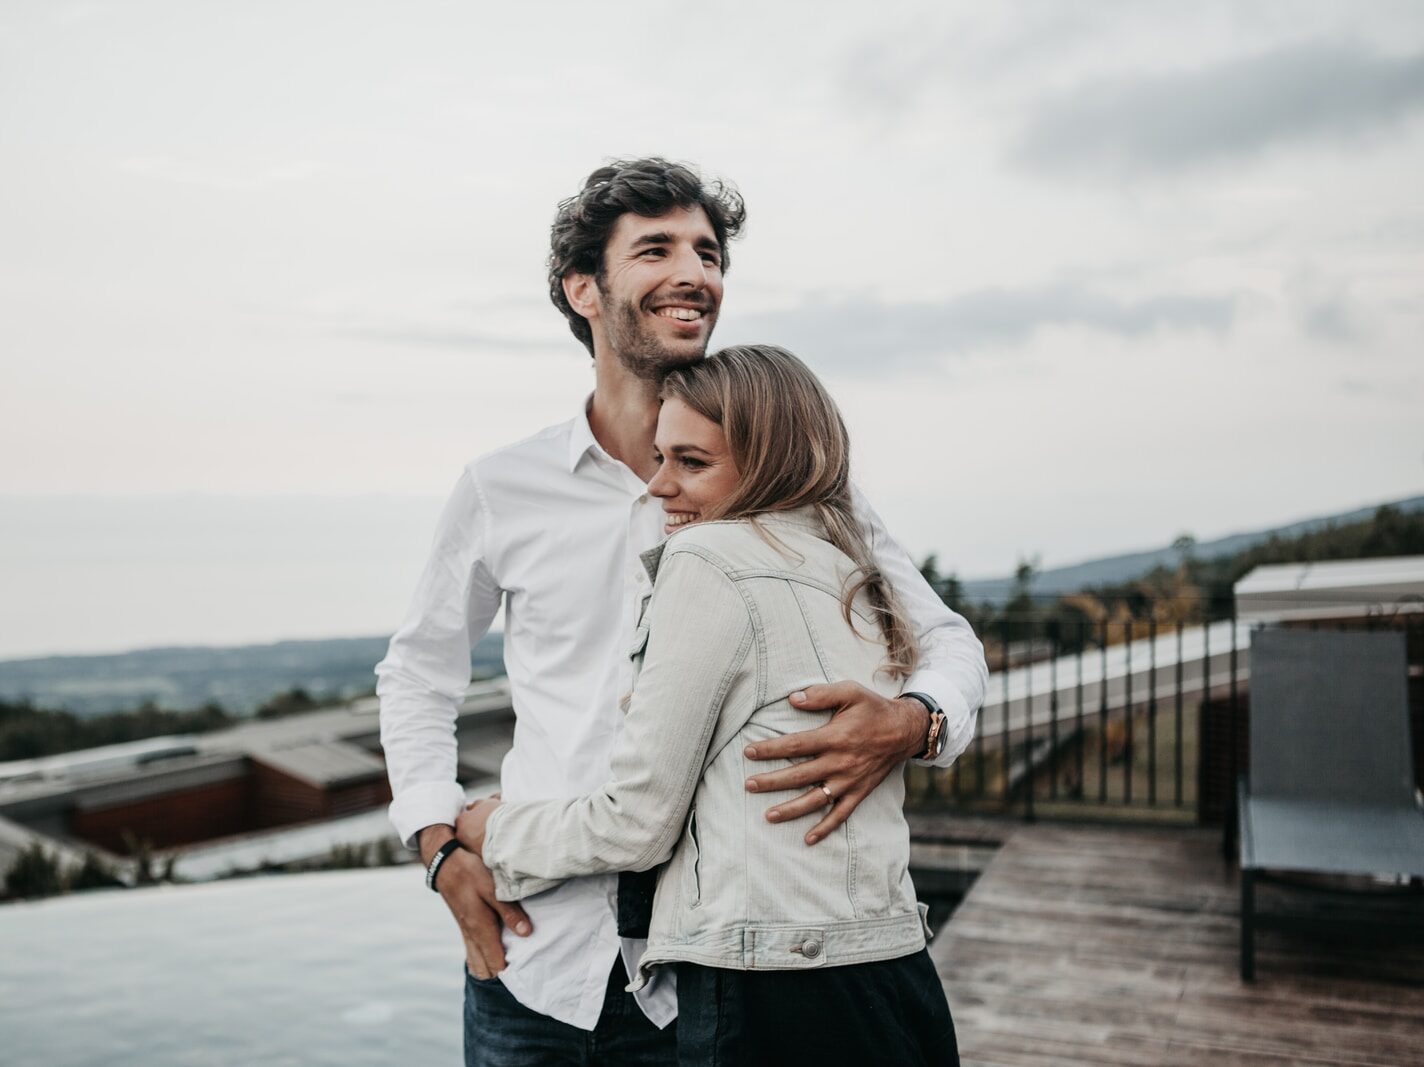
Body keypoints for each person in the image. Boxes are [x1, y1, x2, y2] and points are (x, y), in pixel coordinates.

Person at [375, 158, 987, 1066]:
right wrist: (438, 847)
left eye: (707, 253)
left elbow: (944, 637)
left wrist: (915, 721)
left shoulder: (793, 484)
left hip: (702, 982)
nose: (694, 272)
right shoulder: (501, 487)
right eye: (656, 249)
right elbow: (418, 674)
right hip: (530, 956)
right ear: (583, 289)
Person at [457, 344, 961, 1065]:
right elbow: (949, 641)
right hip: (894, 968)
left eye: (691, 463)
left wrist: (494, 831)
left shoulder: (707, 559)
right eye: (661, 458)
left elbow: (637, 823)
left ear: (769, 464)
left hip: (771, 989)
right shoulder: (851, 565)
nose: (660, 487)